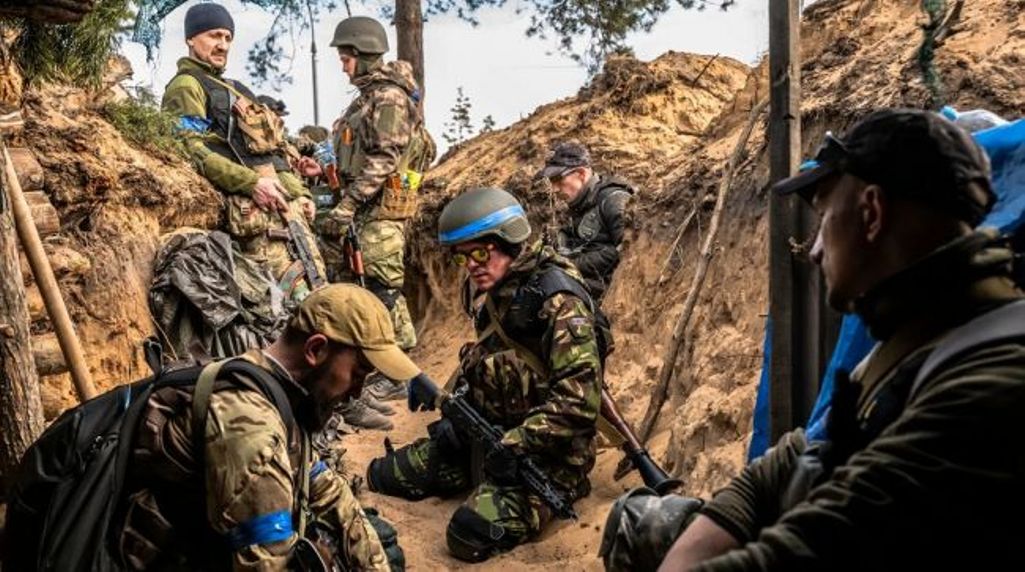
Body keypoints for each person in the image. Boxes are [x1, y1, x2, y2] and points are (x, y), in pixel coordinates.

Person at [599, 109, 1025, 570]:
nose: (816, 249)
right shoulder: (921, 336)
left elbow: (819, 543)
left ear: (872, 213)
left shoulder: (990, 380)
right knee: (639, 523)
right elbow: (788, 463)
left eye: (824, 218)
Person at [365, 187, 603, 562]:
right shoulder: (496, 293)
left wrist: (516, 444)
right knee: (383, 475)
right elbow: (489, 363)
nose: (472, 266)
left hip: (545, 457)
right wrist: (456, 414)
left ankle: (550, 490)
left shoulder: (559, 302)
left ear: (509, 240)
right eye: (463, 257)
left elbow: (578, 405)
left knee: (468, 534)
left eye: (480, 253)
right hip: (487, 437)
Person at [118, 284, 416, 570]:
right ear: (315, 349)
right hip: (184, 560)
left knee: (381, 545)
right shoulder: (251, 426)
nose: (357, 391)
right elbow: (268, 563)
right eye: (358, 373)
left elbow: (330, 493)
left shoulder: (272, 385)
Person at [297, 16, 435, 406]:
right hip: (366, 210)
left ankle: (398, 371)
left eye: (346, 59)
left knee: (381, 289)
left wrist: (348, 205)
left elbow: (385, 159)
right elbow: (358, 158)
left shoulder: (388, 97)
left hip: (379, 213)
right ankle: (384, 365)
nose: (344, 67)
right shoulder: (367, 99)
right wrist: (324, 172)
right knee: (367, 286)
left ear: (364, 54)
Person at [163, 3, 323, 301]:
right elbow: (190, 149)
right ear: (190, 39)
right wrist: (251, 183)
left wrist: (301, 194)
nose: (222, 45)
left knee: (316, 297)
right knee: (282, 306)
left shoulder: (236, 89)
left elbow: (271, 152)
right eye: (214, 35)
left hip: (286, 217)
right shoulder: (186, 86)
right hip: (252, 221)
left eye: (227, 37)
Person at [536, 142, 634, 303]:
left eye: (558, 179)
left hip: (608, 292)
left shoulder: (613, 200)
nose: (554, 189)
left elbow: (628, 251)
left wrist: (570, 264)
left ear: (581, 173)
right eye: (551, 181)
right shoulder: (576, 204)